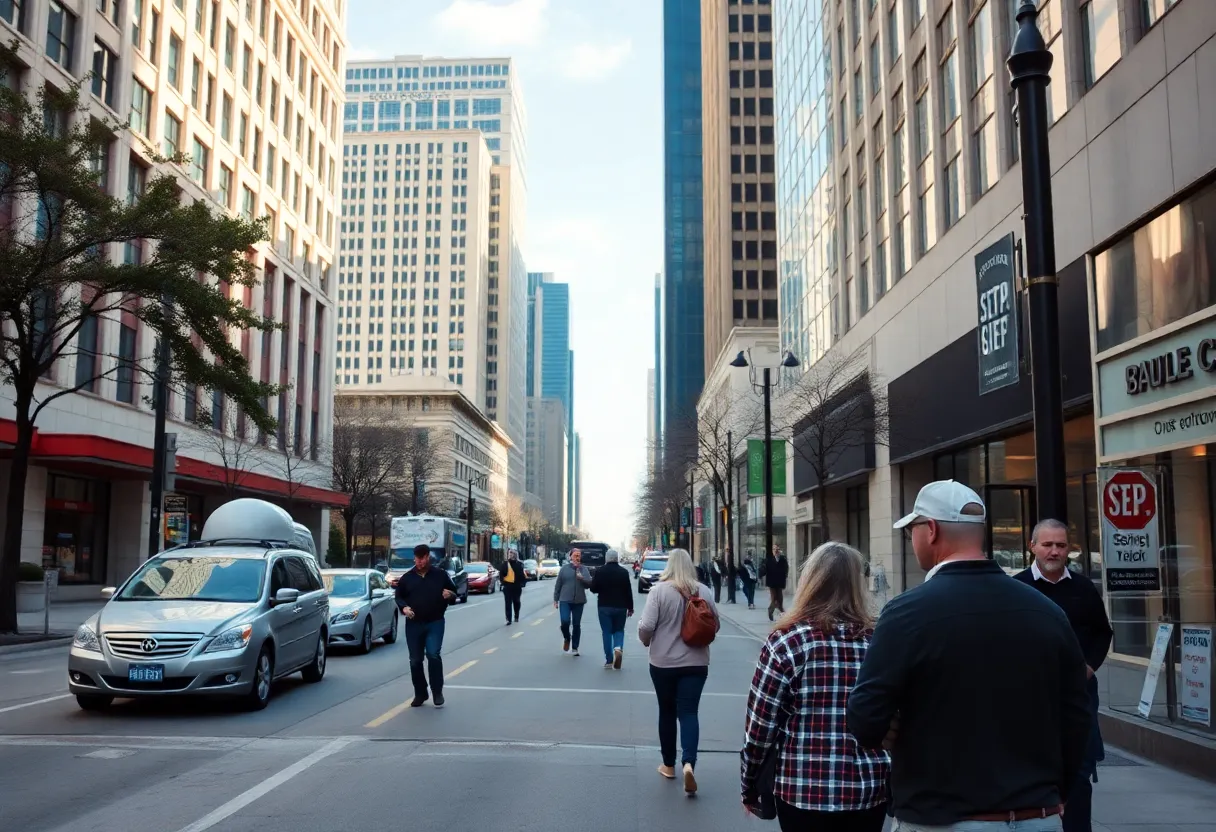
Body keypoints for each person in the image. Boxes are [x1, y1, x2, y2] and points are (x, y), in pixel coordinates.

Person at [847, 480, 1092, 832]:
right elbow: (1076, 716)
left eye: (913, 529)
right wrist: (1057, 792)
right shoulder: (1046, 611)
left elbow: (865, 720)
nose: (912, 539)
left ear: (930, 530)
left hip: (941, 816)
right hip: (1037, 814)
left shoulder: (907, 614)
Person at [742, 542, 891, 831]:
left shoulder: (787, 643)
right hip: (868, 789)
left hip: (802, 788)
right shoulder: (879, 643)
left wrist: (749, 784)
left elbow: (759, 729)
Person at [1014, 519, 1113, 832]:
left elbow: (1102, 632)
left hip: (1079, 698)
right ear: (1032, 547)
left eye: (1061, 545)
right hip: (1032, 699)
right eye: (1047, 544)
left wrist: (1089, 667)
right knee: (1031, 769)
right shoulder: (1017, 588)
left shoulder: (1083, 588)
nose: (1054, 551)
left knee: (1080, 774)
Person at [637, 548, 720, 796]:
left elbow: (647, 626)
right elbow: (715, 623)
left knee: (667, 711)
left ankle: (669, 765)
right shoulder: (703, 590)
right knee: (689, 712)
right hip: (696, 663)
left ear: (669, 566)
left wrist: (645, 639)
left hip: (663, 663)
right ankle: (689, 764)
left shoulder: (659, 591)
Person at [394, 543, 458, 708]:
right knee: (415, 660)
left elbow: (454, 592)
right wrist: (404, 607)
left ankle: (437, 692)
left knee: (433, 654)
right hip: (414, 624)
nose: (420, 562)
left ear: (428, 557)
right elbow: (399, 597)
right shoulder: (407, 578)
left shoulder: (440, 575)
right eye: (417, 559)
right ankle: (420, 693)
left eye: (423, 558)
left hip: (435, 621)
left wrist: (450, 594)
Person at [589, 548, 634, 669]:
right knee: (619, 630)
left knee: (606, 632)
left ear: (606, 559)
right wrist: (630, 607)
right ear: (617, 558)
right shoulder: (624, 572)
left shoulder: (600, 571)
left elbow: (593, 589)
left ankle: (609, 660)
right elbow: (628, 591)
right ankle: (618, 647)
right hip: (621, 606)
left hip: (604, 606)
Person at [553, 548, 592, 656]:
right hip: (565, 599)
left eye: (579, 555)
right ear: (570, 556)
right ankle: (567, 637)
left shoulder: (584, 569)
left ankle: (575, 647)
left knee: (576, 624)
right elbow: (558, 584)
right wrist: (556, 599)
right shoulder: (564, 569)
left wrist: (582, 579)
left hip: (579, 601)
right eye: (575, 555)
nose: (577, 557)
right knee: (565, 622)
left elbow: (589, 584)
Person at [500, 548, 528, 626]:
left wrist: (523, 583)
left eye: (512, 553)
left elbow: (523, 575)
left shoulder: (519, 564)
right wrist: (502, 583)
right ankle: (508, 619)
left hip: (517, 586)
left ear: (515, 555)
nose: (510, 554)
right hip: (507, 586)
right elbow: (501, 574)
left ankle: (516, 616)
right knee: (508, 603)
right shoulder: (505, 564)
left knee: (516, 601)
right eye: (509, 553)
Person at [765, 546, 790, 621]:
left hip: (779, 582)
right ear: (773, 551)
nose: (776, 551)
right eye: (774, 549)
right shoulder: (769, 560)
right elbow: (766, 570)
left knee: (780, 599)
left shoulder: (783, 559)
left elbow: (786, 569)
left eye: (778, 549)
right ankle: (777, 612)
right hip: (772, 583)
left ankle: (778, 611)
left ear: (780, 551)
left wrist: (784, 578)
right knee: (774, 597)